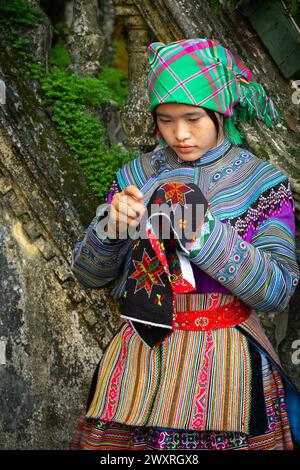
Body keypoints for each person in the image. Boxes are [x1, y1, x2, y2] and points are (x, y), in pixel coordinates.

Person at [69, 38, 300, 450]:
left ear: (221, 110)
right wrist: (109, 227)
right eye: (166, 119)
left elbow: (277, 290)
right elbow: (88, 275)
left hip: (228, 362)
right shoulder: (135, 177)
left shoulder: (261, 183)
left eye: (193, 118)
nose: (179, 134)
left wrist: (203, 235)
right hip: (139, 360)